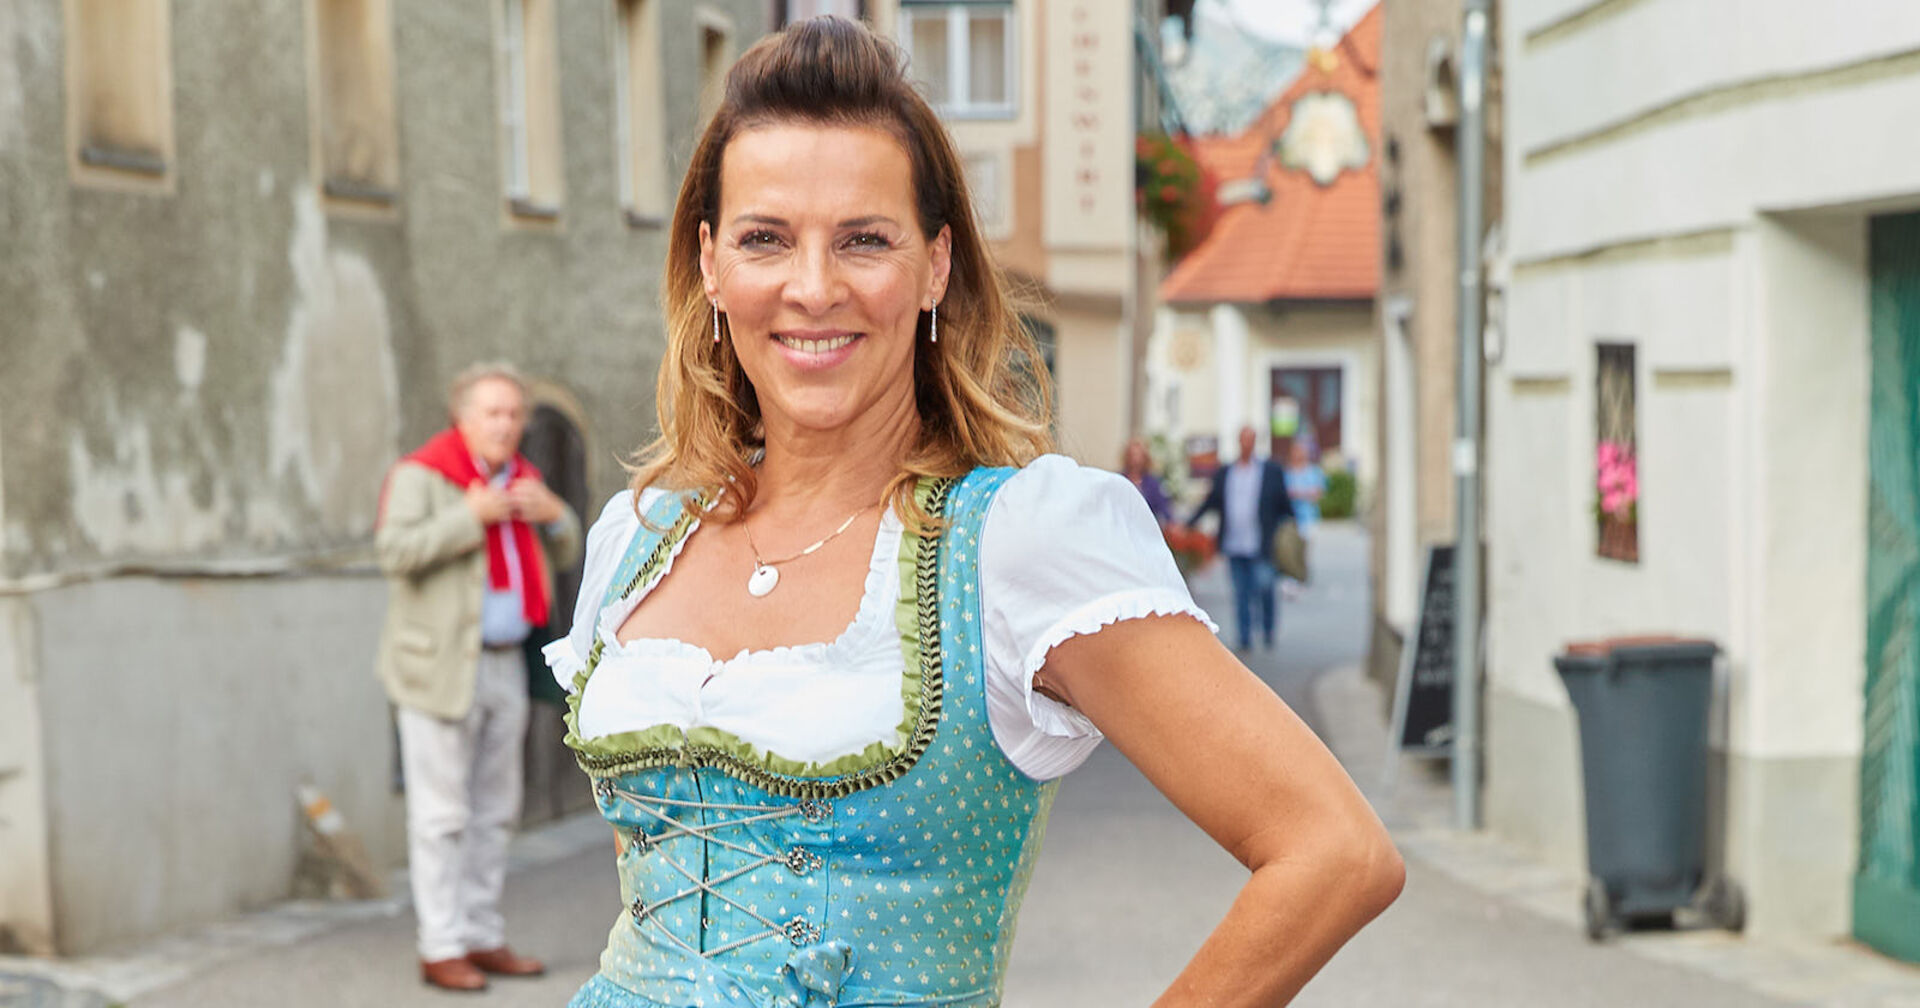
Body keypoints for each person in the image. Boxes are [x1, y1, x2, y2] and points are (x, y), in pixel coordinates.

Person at [542, 18, 1400, 1008]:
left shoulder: (1019, 541)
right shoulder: (640, 536)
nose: (813, 288)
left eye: (865, 240)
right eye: (764, 239)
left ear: (936, 266)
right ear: (710, 265)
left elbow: (1333, 851)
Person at [375, 362, 582, 992]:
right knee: (441, 816)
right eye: (492, 413)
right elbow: (395, 553)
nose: (506, 424)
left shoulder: (526, 479)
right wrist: (472, 516)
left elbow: (565, 549)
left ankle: (482, 933)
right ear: (462, 419)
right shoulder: (422, 475)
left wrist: (554, 514)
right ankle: (440, 946)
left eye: (514, 413)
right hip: (439, 667)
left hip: (506, 662)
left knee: (496, 810)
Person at [1187, 425, 1296, 651]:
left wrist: (1289, 531)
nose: (1246, 444)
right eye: (1243, 440)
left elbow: (1284, 505)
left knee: (1265, 586)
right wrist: (1189, 523)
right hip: (1234, 543)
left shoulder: (1271, 471)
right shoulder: (1226, 472)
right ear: (1239, 442)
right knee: (1241, 592)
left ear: (1255, 442)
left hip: (1261, 543)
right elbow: (1211, 502)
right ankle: (1245, 636)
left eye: (1250, 440)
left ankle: (1267, 627)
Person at [1281, 439, 1327, 599]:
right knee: (1289, 549)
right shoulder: (1287, 472)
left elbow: (1318, 493)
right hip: (1290, 518)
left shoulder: (1313, 472)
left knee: (1303, 549)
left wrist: (1300, 493)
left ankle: (1300, 576)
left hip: (1308, 517)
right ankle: (1291, 578)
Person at [1120, 436, 1174, 526]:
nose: (1135, 459)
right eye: (1132, 455)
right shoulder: (1119, 480)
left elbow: (1163, 508)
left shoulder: (1153, 484)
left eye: (1139, 455)